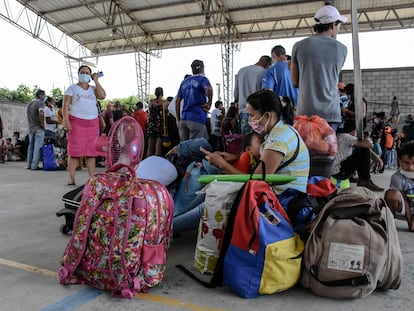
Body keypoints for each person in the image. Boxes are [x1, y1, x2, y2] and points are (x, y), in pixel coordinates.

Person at [204, 90, 309, 196]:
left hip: (283, 201)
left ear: (267, 116)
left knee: (213, 196)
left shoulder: (278, 139)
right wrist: (234, 157)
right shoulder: (280, 132)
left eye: (252, 115)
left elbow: (256, 182)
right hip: (283, 196)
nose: (249, 121)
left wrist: (222, 164)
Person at [291, 4, 348, 131]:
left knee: (305, 151)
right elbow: (330, 76)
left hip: (306, 113)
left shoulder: (299, 46)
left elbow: (295, 82)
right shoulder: (342, 49)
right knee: (328, 150)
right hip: (330, 113)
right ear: (333, 24)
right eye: (339, 25)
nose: (339, 29)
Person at [63, 65, 106, 186]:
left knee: (91, 152)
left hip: (92, 123)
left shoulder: (93, 89)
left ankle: (91, 178)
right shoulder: (72, 88)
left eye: (87, 73)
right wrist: (66, 121)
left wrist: (96, 80)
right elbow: (65, 105)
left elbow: (102, 96)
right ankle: (71, 178)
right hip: (76, 122)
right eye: (82, 72)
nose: (85, 74)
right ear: (78, 73)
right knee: (74, 152)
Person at [331, 119, 383, 191]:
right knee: (363, 150)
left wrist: (376, 157)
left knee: (362, 150)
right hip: (339, 171)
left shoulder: (340, 136)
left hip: (338, 170)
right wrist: (366, 139)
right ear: (354, 130)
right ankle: (364, 180)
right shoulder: (345, 137)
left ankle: (365, 179)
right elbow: (368, 145)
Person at [175, 60, 213, 141]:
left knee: (185, 148)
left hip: (184, 119)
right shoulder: (203, 79)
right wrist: (209, 102)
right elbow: (208, 89)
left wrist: (178, 119)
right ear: (202, 68)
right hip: (197, 118)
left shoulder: (184, 82)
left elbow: (177, 101)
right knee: (195, 148)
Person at [233, 55, 272, 134]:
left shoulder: (241, 71)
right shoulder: (264, 72)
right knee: (257, 140)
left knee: (244, 140)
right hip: (258, 112)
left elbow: (236, 93)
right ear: (268, 64)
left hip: (243, 110)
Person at [384, 141, 414, 231]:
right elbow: (404, 200)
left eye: (413, 163)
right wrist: (410, 223)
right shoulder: (397, 177)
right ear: (399, 161)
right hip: (404, 210)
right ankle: (390, 222)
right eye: (406, 162)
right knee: (391, 195)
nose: (410, 167)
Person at [26, 89, 46, 170]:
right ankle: (34, 165)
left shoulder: (30, 104)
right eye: (44, 95)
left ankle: (29, 164)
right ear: (40, 95)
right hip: (38, 127)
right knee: (38, 147)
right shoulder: (40, 103)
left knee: (31, 147)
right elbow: (41, 113)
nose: (45, 97)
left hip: (31, 127)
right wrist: (42, 123)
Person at [147, 87, 166, 157]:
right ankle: (157, 162)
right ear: (162, 93)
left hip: (151, 124)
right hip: (160, 124)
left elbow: (149, 111)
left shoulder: (151, 102)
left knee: (150, 145)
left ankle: (148, 161)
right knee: (158, 145)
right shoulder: (164, 102)